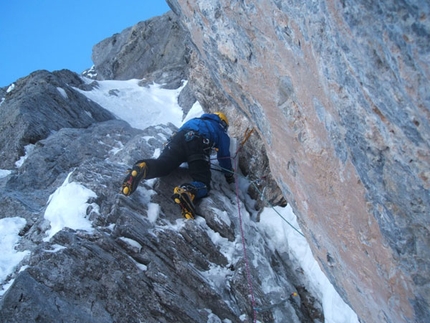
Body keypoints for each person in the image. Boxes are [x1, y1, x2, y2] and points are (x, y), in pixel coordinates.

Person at [121, 112, 235, 219]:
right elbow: (224, 155)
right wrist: (229, 175)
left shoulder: (194, 121)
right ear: (223, 123)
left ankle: (144, 167)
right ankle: (187, 191)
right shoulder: (220, 130)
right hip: (198, 143)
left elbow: (179, 134)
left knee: (164, 165)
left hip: (178, 139)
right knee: (203, 181)